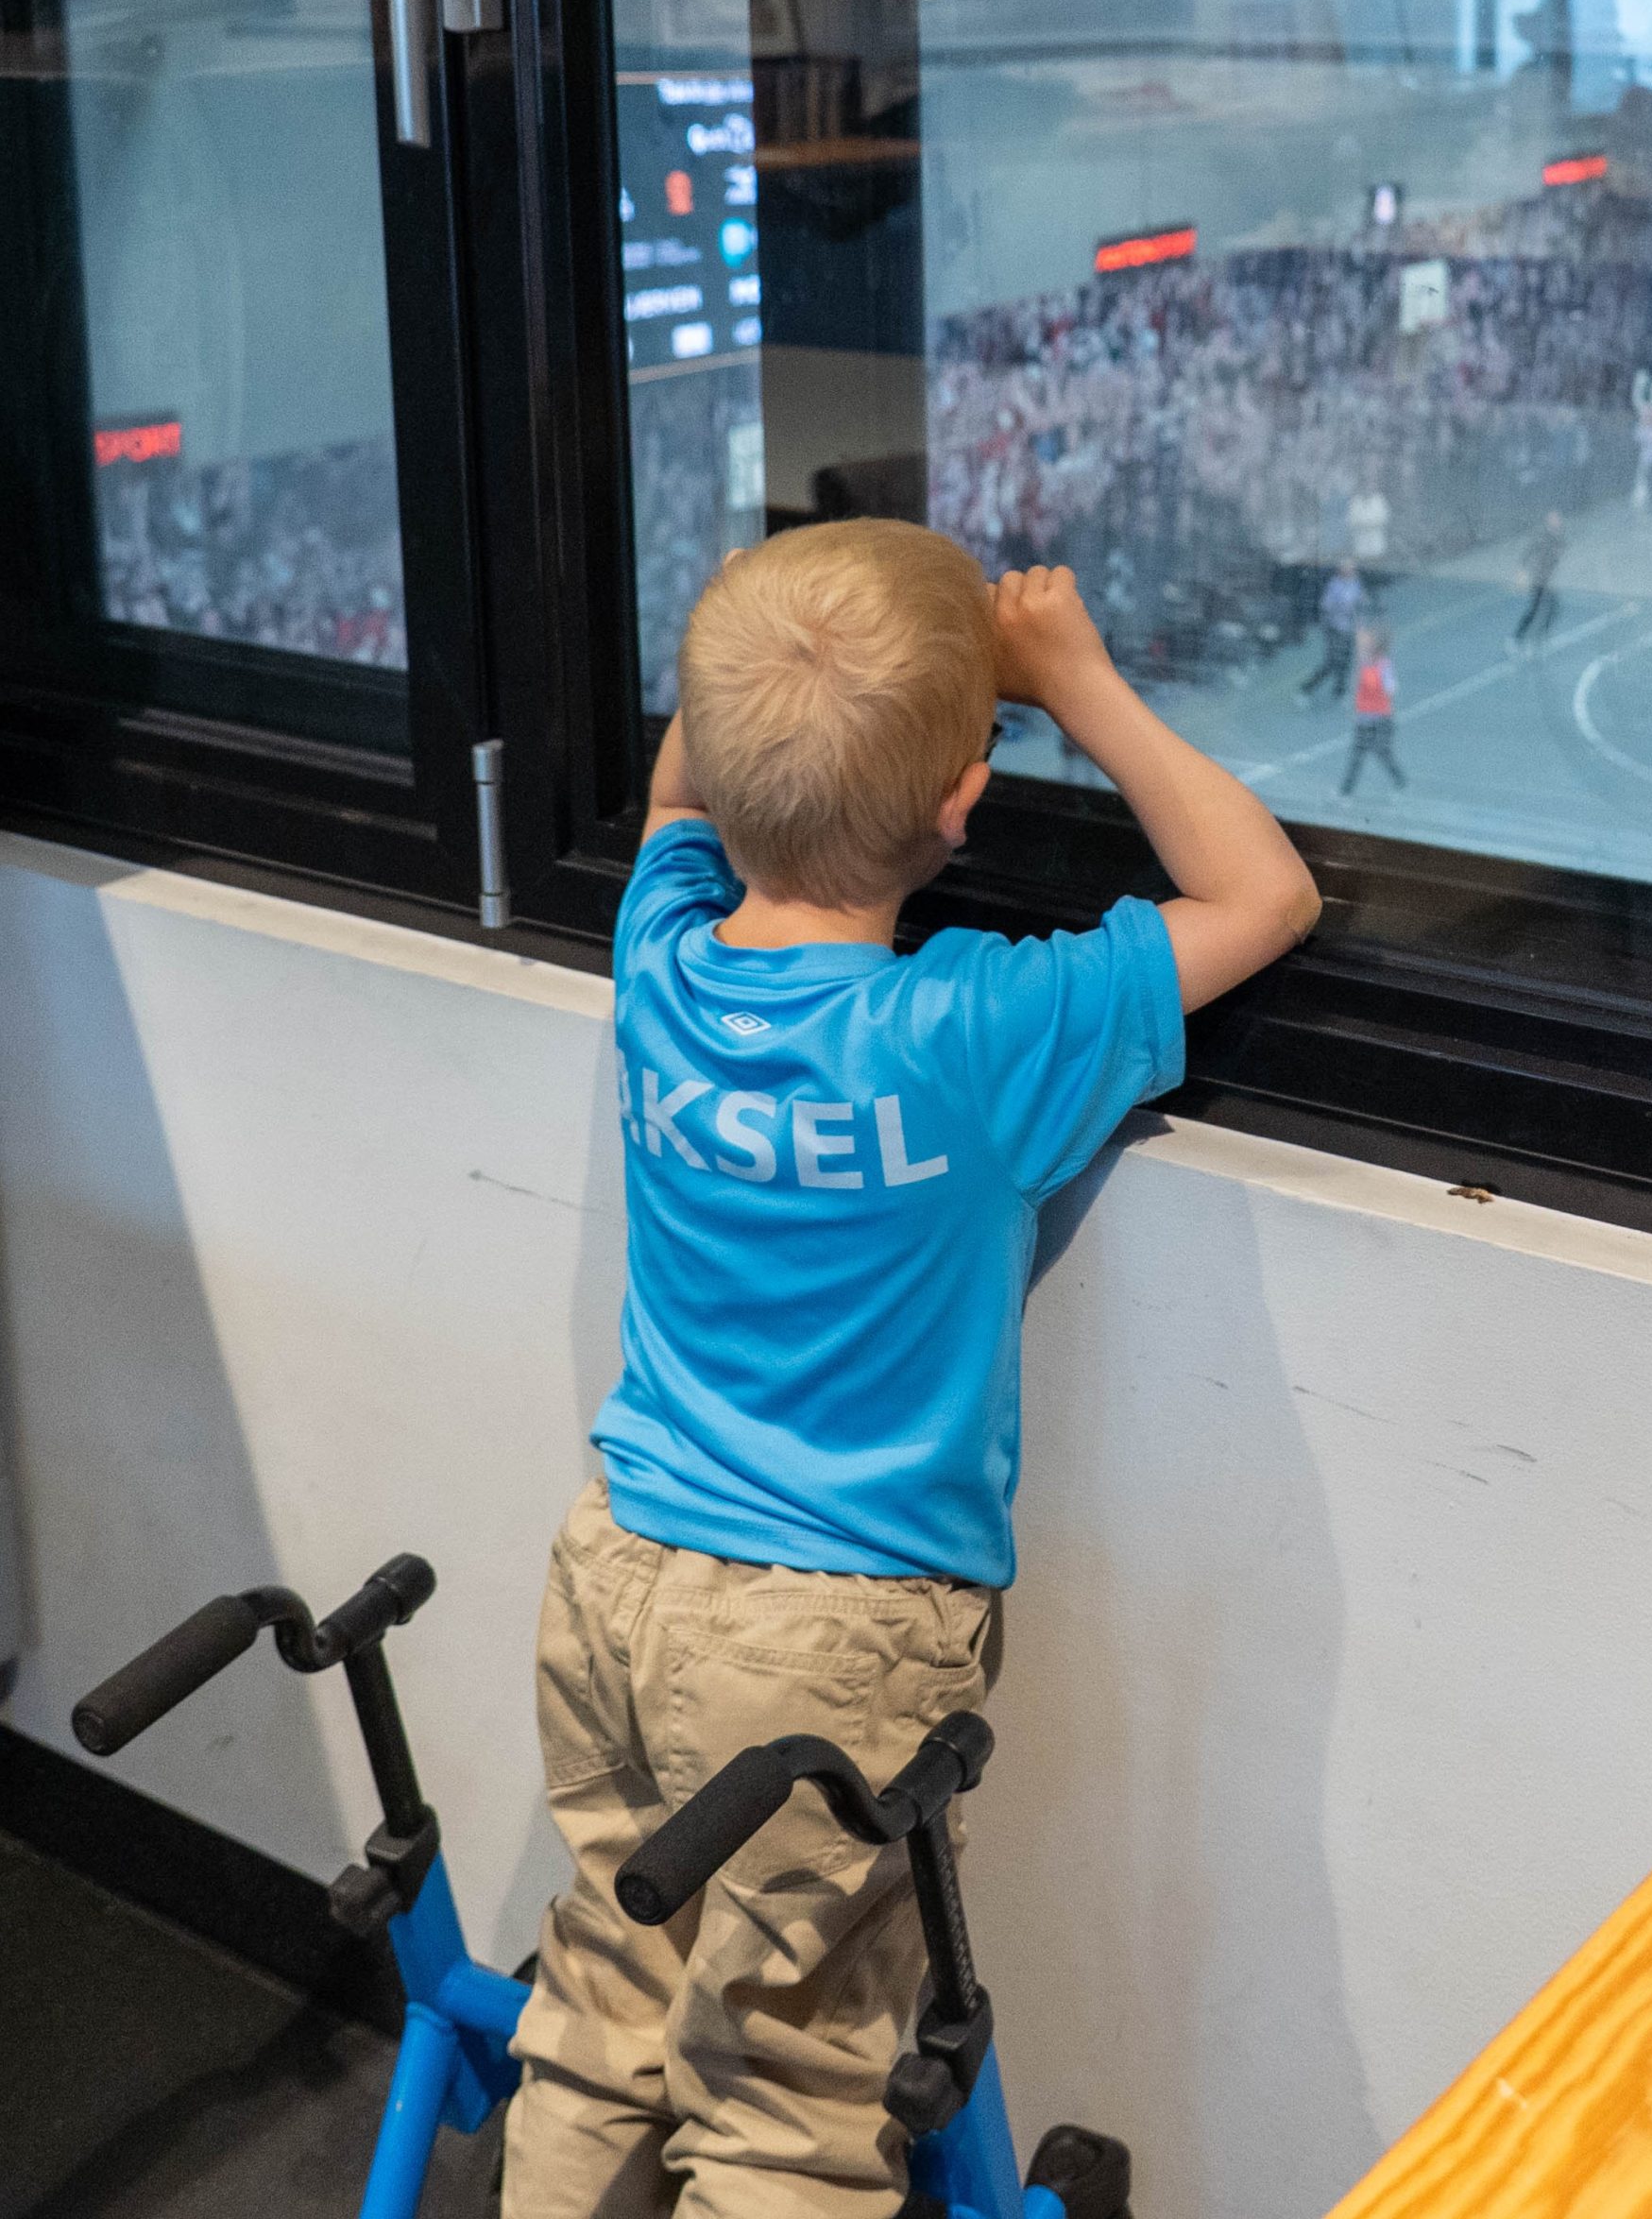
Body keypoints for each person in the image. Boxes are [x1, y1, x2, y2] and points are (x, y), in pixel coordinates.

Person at [502, 521, 1320, 2219]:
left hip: (617, 1575)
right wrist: (1073, 678)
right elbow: (1263, 893)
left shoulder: (661, 961)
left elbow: (679, 797)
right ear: (963, 804)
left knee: (597, 2010)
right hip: (832, 1637)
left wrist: (777, 642)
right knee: (783, 2100)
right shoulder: (971, 1034)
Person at [1339, 623, 1405, 795]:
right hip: (1365, 718)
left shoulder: (1383, 666)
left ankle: (1399, 779)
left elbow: (1391, 689)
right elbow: (1360, 639)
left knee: (1381, 752)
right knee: (1358, 754)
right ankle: (1346, 790)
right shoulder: (1365, 662)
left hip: (1380, 718)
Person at [1299, 555, 1366, 706]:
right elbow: (1326, 607)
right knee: (1332, 662)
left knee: (1346, 660)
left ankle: (1340, 692)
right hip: (1334, 628)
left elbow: (1359, 602)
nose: (1351, 570)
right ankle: (1306, 689)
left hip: (1348, 628)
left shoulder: (1355, 582)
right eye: (1347, 568)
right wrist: (1342, 610)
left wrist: (1358, 620)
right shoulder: (1334, 586)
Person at [1512, 511, 1567, 653]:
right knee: (1536, 610)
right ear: (1548, 521)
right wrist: (1522, 572)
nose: (1558, 521)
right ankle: (1518, 638)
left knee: (1552, 610)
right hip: (1539, 580)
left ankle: (1540, 637)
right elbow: (1528, 553)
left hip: (1548, 580)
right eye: (1554, 519)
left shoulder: (1558, 537)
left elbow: (1557, 555)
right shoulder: (1543, 537)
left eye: (1558, 519)